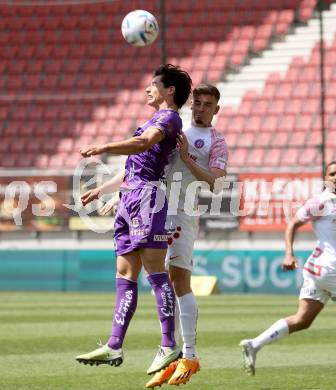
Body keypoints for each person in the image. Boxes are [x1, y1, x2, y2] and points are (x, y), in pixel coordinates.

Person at [76, 64, 192, 373]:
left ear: (170, 91)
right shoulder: (153, 118)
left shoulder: (169, 118)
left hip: (148, 198)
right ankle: (114, 345)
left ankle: (169, 345)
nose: (147, 89)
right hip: (129, 198)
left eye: (154, 84)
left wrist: (104, 147)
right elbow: (133, 166)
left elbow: (142, 144)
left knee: (155, 271)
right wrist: (102, 189)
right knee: (125, 274)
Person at [145, 83, 228, 387]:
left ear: (216, 109)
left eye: (208, 104)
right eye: (198, 103)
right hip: (156, 208)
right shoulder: (175, 125)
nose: (202, 108)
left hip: (182, 213)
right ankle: (175, 352)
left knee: (179, 282)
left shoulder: (216, 141)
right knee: (162, 282)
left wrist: (188, 158)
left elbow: (217, 184)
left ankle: (190, 355)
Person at [240, 161, 336, 376]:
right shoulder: (321, 202)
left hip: (316, 269)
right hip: (330, 268)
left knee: (302, 320)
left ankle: (254, 344)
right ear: (326, 178)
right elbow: (293, 223)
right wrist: (288, 253)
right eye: (332, 174)